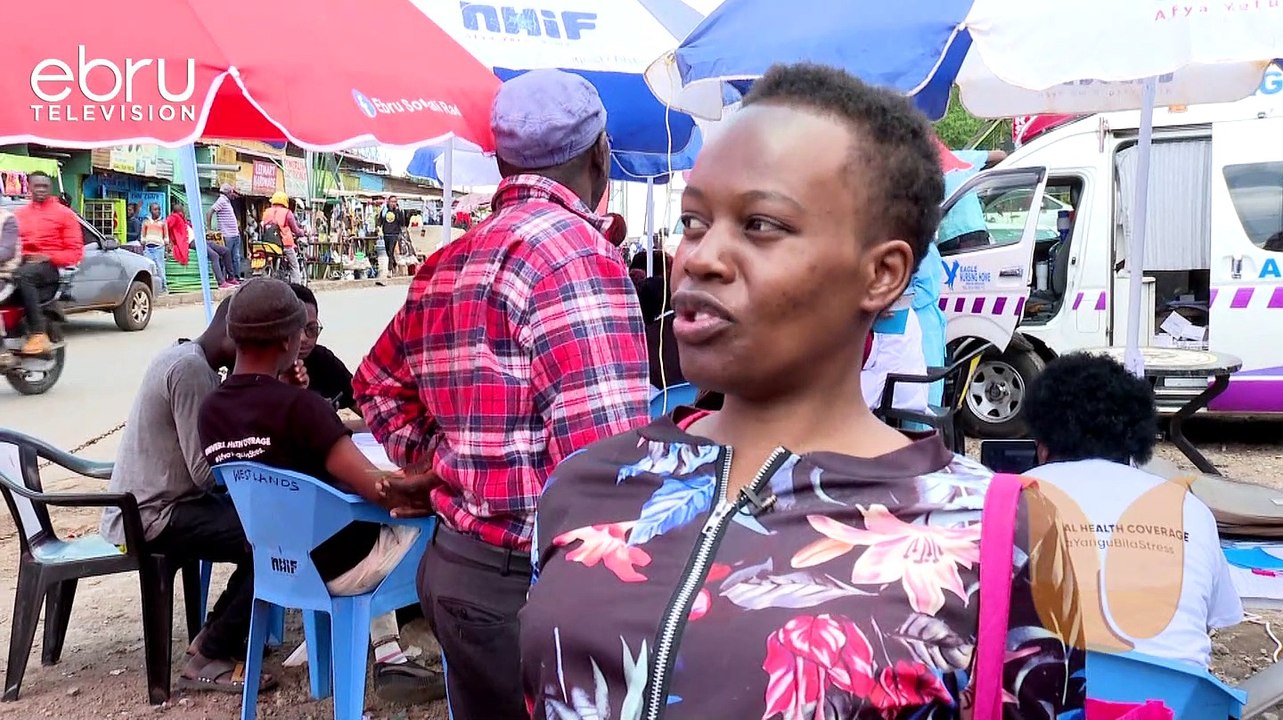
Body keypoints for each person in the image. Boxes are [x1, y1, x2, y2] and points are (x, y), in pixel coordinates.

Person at [520, 63, 1085, 719]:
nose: (699, 257)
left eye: (761, 224)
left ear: (882, 275)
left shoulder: (996, 533)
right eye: (695, 221)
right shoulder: (584, 486)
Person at [354, 69, 650, 720]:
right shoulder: (576, 256)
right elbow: (607, 471)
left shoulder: (448, 262)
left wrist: (442, 462)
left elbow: (374, 383)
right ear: (601, 153)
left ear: (501, 160)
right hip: (536, 585)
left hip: (456, 570)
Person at [197, 278, 444, 700]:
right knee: (449, 527)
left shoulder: (212, 409)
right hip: (342, 565)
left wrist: (292, 396)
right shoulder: (302, 409)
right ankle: (402, 656)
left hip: (275, 562)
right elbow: (381, 490)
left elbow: (279, 461)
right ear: (290, 339)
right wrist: (441, 477)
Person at [1024, 353, 1242, 668]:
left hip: (1043, 701)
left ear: (1041, 445)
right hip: (1176, 707)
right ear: (1134, 446)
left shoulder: (996, 499)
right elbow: (1213, 619)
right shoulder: (1187, 508)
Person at [97, 297, 257, 692]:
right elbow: (204, 473)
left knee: (264, 526)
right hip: (152, 515)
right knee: (272, 538)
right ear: (235, 336)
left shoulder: (188, 357)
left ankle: (215, 633)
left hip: (156, 504)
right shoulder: (191, 371)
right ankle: (210, 652)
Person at [14, 171, 82, 356]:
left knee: (24, 274)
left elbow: (75, 252)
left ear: (50, 187)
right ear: (29, 188)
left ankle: (38, 333)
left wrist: (48, 256)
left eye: (45, 186)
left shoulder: (64, 214)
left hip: (51, 270)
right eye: (37, 186)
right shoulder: (20, 214)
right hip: (23, 265)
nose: (41, 190)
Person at [289, 283, 358, 414]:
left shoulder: (323, 360)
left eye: (311, 329)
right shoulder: (266, 368)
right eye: (295, 329)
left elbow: (363, 406)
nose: (303, 338)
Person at [169, 203, 232, 288]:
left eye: (182, 211)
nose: (183, 213)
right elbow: (166, 225)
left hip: (201, 240)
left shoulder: (185, 222)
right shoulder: (175, 217)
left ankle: (231, 278)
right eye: (181, 211)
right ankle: (221, 282)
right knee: (214, 256)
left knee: (225, 251)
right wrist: (169, 242)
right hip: (192, 242)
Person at [261, 192, 304, 284]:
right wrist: (302, 233)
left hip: (268, 244)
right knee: (294, 265)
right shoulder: (287, 213)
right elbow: (295, 230)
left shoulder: (266, 212)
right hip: (284, 244)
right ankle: (297, 286)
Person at [208, 183, 243, 280]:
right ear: (228, 192)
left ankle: (236, 277)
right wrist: (209, 229)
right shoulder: (221, 201)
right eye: (232, 192)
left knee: (236, 257)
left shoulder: (227, 201)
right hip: (228, 235)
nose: (233, 194)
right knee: (227, 258)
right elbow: (210, 212)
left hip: (234, 234)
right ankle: (226, 278)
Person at [141, 203, 169, 294]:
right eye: (155, 209)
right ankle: (151, 289)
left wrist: (166, 249)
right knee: (148, 269)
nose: (157, 211)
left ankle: (164, 288)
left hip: (159, 248)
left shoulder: (162, 222)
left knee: (160, 269)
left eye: (158, 209)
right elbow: (143, 236)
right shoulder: (146, 222)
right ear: (151, 211)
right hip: (148, 248)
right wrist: (143, 246)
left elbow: (166, 237)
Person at [377, 195, 408, 274]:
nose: (393, 203)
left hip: (394, 234)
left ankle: (389, 270)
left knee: (391, 251)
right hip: (386, 233)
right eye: (392, 202)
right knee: (388, 252)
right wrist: (378, 227)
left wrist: (400, 213)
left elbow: (402, 223)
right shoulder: (384, 210)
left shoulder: (398, 212)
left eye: (395, 202)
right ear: (388, 202)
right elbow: (380, 220)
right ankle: (394, 264)